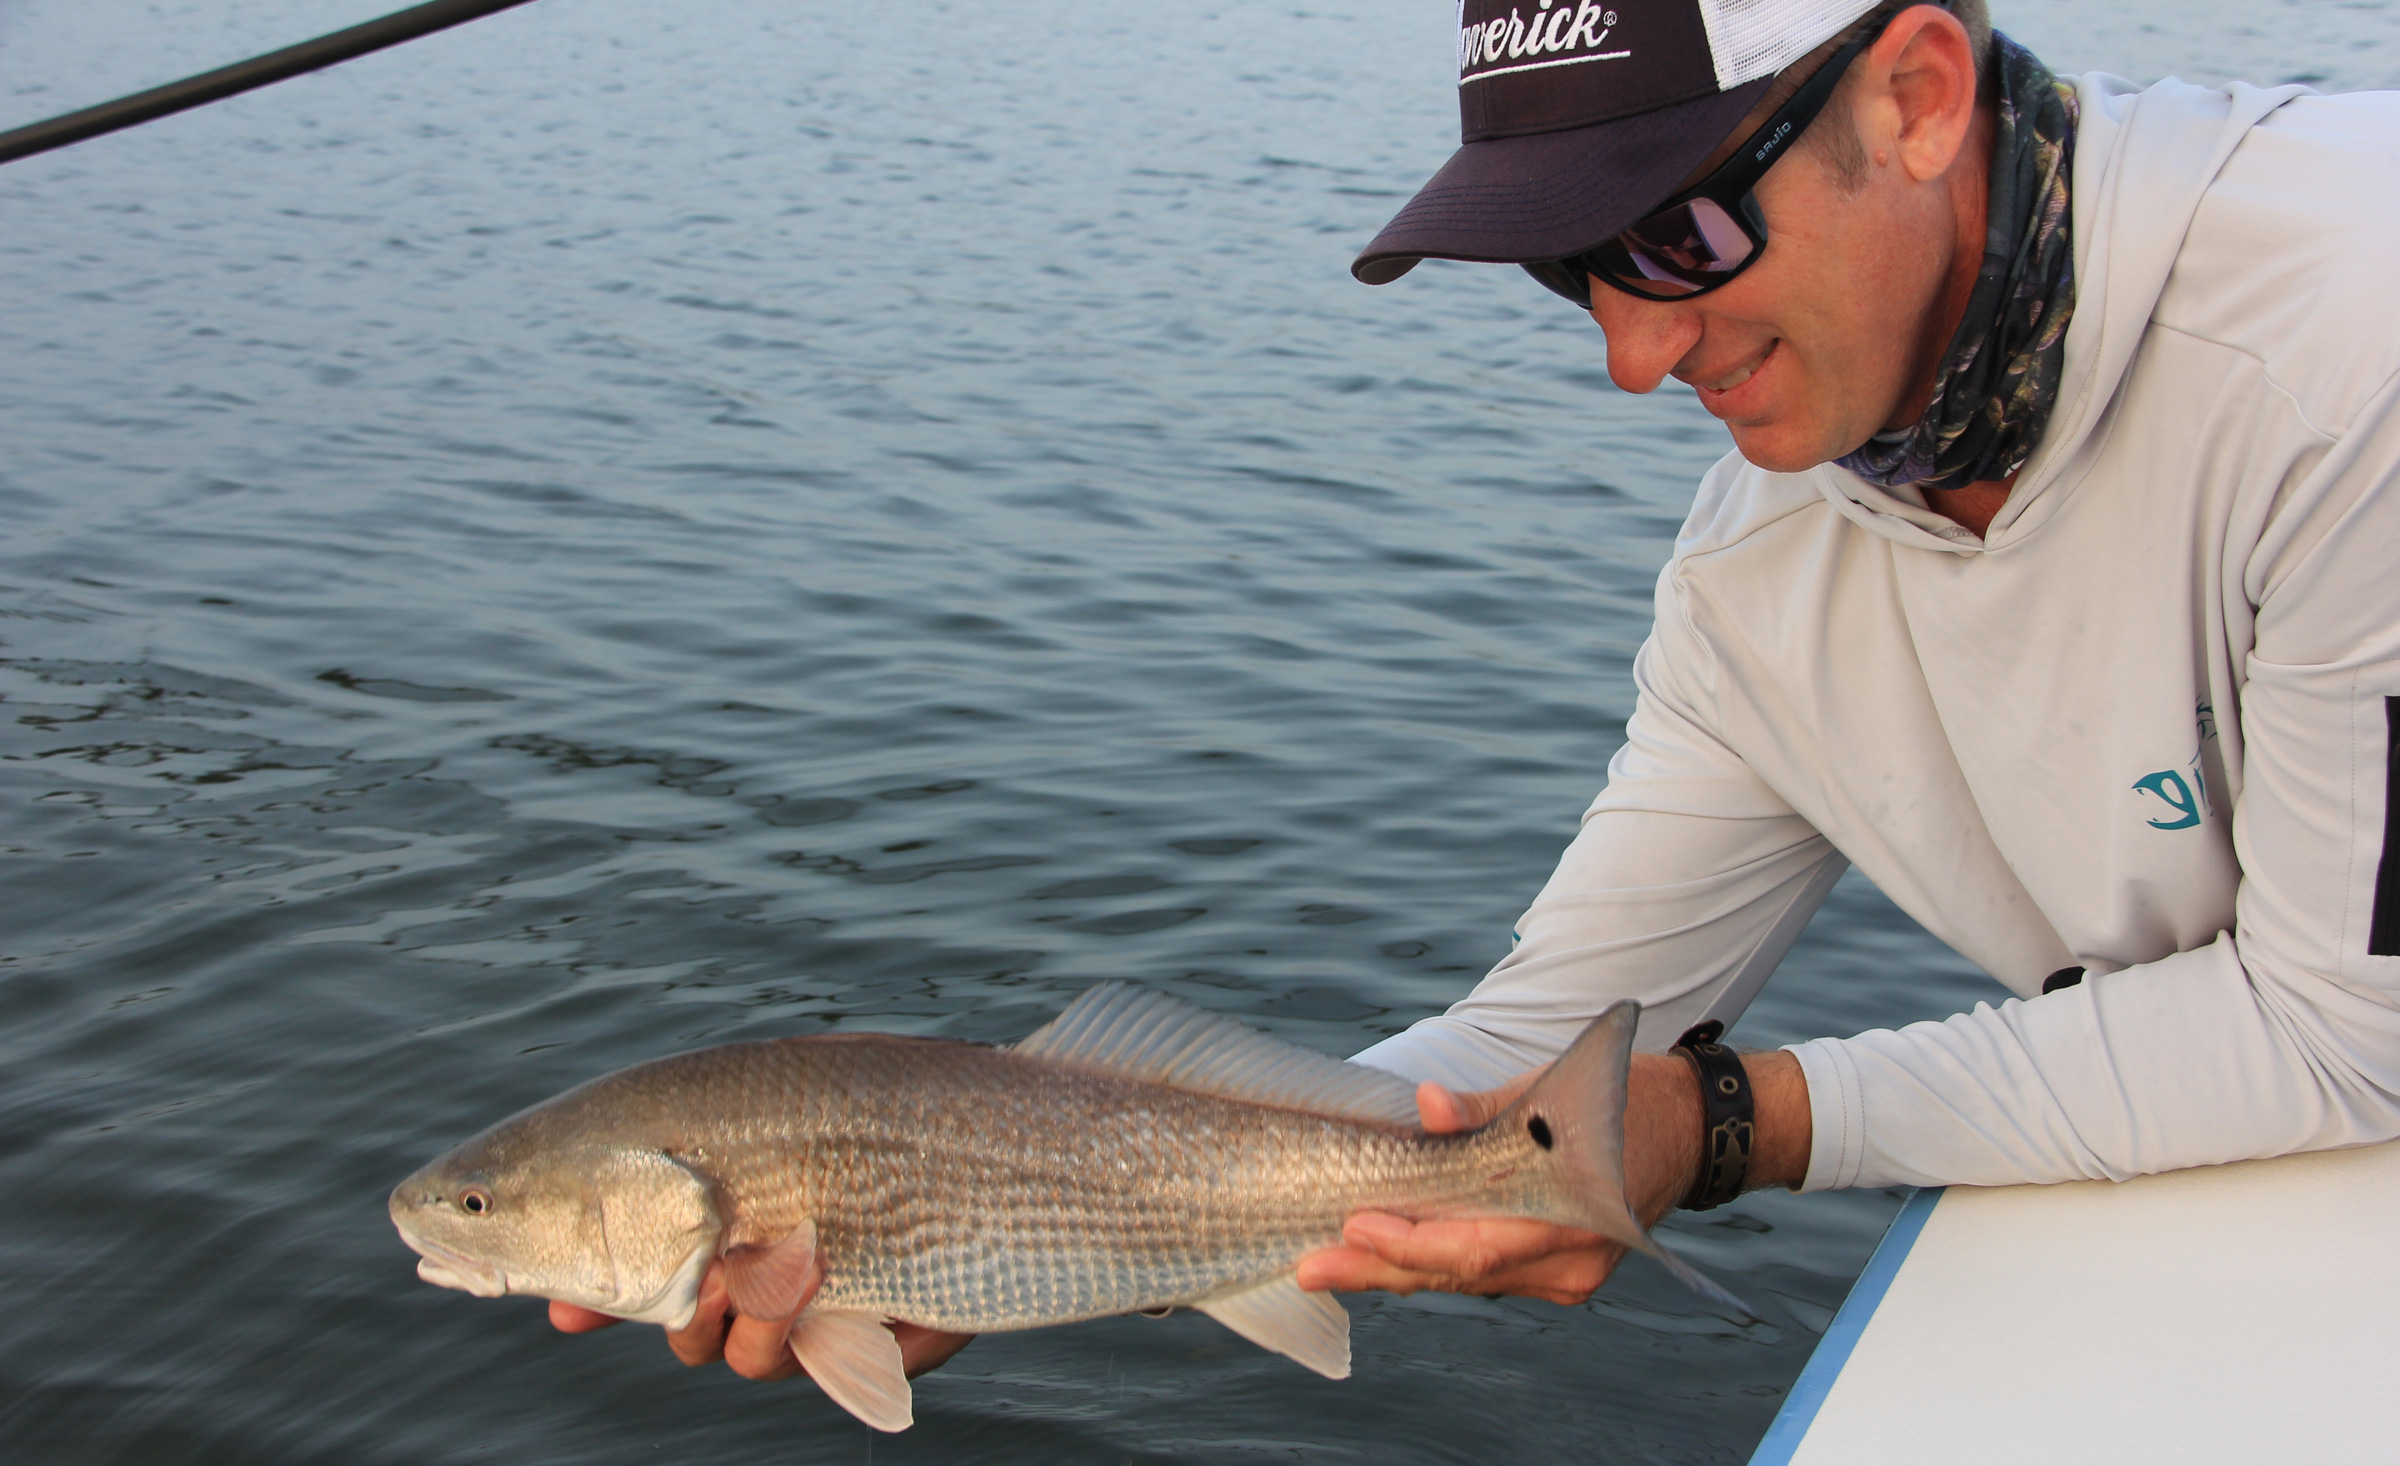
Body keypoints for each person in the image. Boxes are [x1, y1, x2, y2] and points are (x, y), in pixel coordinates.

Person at [558, 0, 2400, 1377]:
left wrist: (1736, 1121)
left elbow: (2346, 1031)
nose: (1632, 353)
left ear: (1915, 95)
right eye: (1567, 271)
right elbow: (1557, 1031)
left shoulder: (2350, 346)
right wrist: (1037, 1219)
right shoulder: (1765, 565)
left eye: (1674, 234)